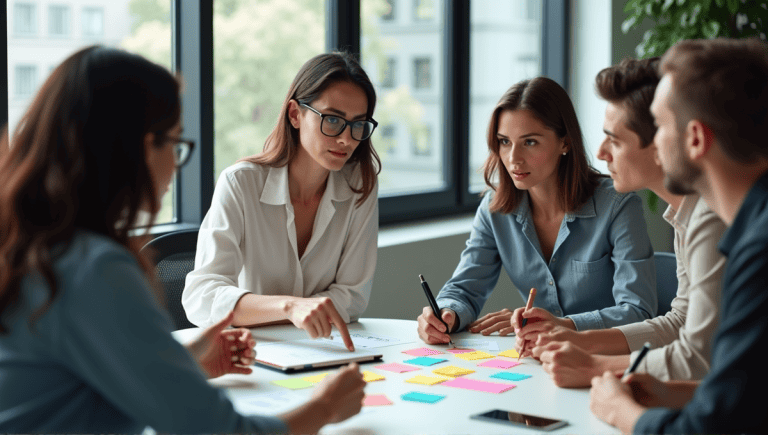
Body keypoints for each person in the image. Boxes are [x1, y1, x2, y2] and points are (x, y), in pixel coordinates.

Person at [0, 46, 365, 434]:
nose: (175, 163)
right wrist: (324, 407)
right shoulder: (95, 269)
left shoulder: (38, 248)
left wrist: (182, 363)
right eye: (172, 143)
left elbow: (80, 386)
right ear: (135, 146)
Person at [590, 37, 768, 433]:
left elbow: (702, 429)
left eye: (659, 124)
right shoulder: (749, 226)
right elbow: (749, 393)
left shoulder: (758, 249)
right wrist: (679, 394)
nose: (654, 143)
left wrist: (620, 411)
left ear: (695, 139)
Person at [521, 58, 726, 387]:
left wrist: (594, 367)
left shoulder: (710, 218)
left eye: (614, 140)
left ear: (661, 144)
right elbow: (679, 322)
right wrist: (576, 338)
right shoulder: (685, 213)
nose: (600, 153)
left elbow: (697, 357)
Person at [417, 77, 657, 345]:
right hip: (540, 358)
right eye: (504, 141)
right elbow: (464, 289)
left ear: (565, 143)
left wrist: (561, 326)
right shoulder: (494, 208)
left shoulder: (618, 205)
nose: (513, 158)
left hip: (606, 358)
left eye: (529, 142)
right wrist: (446, 313)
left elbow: (638, 312)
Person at [183, 53, 379, 351]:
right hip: (249, 353)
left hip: (322, 348)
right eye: (333, 120)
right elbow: (201, 295)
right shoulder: (240, 183)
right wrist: (289, 308)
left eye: (358, 125)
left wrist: (294, 311)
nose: (346, 139)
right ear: (294, 114)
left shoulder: (360, 186)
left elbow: (353, 296)